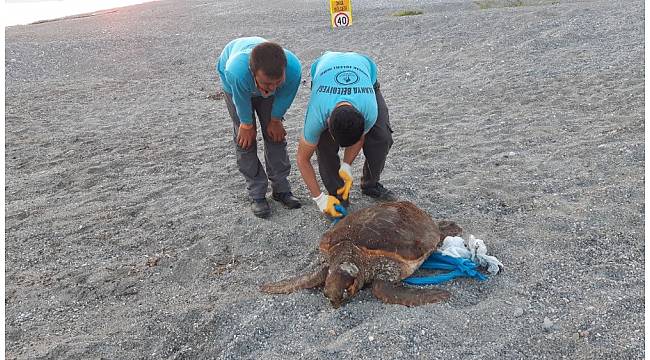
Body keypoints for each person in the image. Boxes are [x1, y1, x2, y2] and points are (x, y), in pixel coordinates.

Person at [296, 51, 396, 218]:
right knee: (325, 145)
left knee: (382, 137)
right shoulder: (317, 114)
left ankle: (370, 184)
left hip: (365, 74)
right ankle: (337, 195)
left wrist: (347, 165)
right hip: (324, 71)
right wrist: (319, 199)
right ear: (327, 122)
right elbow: (302, 159)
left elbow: (360, 136)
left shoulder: (369, 110)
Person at [217, 37, 302, 218]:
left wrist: (276, 119)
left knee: (275, 135)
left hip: (258, 77)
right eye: (266, 84)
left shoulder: (293, 69)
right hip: (235, 86)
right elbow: (240, 101)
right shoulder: (236, 71)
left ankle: (281, 188)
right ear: (253, 72)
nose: (271, 88)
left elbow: (284, 96)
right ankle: (257, 194)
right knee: (245, 141)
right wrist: (246, 124)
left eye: (277, 82)